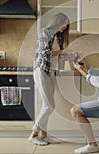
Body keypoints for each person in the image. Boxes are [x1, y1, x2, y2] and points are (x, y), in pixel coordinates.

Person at [28, 12, 70, 146]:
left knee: (48, 105)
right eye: (65, 23)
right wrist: (63, 52)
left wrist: (68, 55)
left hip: (50, 72)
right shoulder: (44, 32)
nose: (66, 26)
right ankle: (33, 134)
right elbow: (45, 53)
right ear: (58, 22)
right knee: (49, 105)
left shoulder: (57, 38)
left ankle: (43, 135)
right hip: (41, 70)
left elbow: (57, 56)